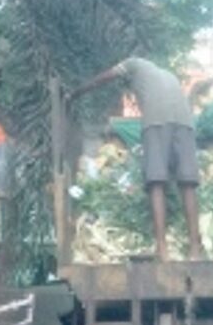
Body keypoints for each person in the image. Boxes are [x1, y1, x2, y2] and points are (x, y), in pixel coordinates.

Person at [71, 57, 202, 261]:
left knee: (156, 183)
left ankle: (161, 247)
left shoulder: (134, 64)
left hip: (157, 121)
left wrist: (77, 92)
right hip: (185, 123)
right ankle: (195, 248)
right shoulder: (167, 76)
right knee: (188, 184)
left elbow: (106, 76)